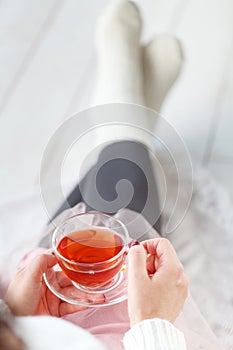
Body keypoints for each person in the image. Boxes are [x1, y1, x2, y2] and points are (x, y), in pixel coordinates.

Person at [0, 1, 191, 349]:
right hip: (112, 330)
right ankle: (129, 112)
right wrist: (153, 326)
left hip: (36, 312)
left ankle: (130, 115)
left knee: (91, 205)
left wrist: (11, 316)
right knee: (124, 185)